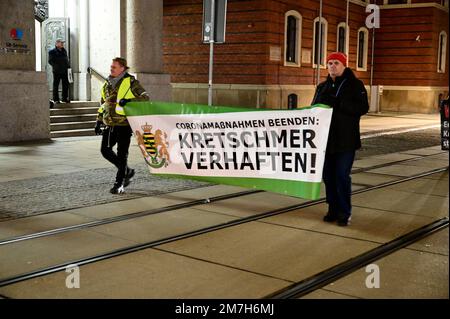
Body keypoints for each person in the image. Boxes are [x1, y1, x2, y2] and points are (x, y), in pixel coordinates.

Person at [312, 52, 369, 226]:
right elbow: (313, 109)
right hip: (325, 141)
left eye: (336, 63)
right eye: (329, 63)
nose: (332, 66)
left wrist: (340, 104)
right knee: (328, 176)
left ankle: (345, 212)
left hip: (346, 140)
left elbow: (363, 108)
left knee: (341, 175)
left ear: (344, 65)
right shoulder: (322, 87)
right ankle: (333, 208)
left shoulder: (354, 85)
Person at [95, 57, 150, 194]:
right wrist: (98, 121)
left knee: (122, 154)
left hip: (124, 125)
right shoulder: (106, 84)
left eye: (114, 66)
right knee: (105, 150)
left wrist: (130, 101)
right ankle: (127, 171)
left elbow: (145, 98)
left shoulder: (131, 82)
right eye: (111, 66)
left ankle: (119, 184)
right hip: (110, 124)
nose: (111, 68)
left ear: (122, 69)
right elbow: (104, 104)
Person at [48, 39, 70, 104]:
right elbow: (50, 61)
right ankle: (56, 99)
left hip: (65, 71)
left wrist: (68, 67)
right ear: (57, 44)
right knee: (56, 85)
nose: (63, 44)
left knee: (65, 85)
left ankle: (64, 98)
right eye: (61, 43)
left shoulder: (64, 51)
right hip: (57, 71)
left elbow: (66, 60)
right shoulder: (52, 52)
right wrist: (56, 67)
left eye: (63, 43)